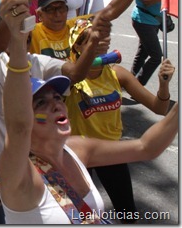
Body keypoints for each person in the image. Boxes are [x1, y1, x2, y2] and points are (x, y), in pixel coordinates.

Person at [0, 0, 179, 224]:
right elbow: (18, 125)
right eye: (40, 103)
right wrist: (17, 37)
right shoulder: (19, 174)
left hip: (109, 150)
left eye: (56, 97)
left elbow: (146, 147)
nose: (55, 103)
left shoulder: (77, 148)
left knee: (128, 214)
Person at [66, 17, 175, 222]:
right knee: (79, 216)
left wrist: (163, 85)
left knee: (128, 214)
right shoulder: (68, 76)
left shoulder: (117, 73)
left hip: (111, 152)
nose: (100, 44)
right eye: (92, 41)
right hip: (79, 156)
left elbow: (159, 108)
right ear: (78, 46)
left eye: (102, 39)